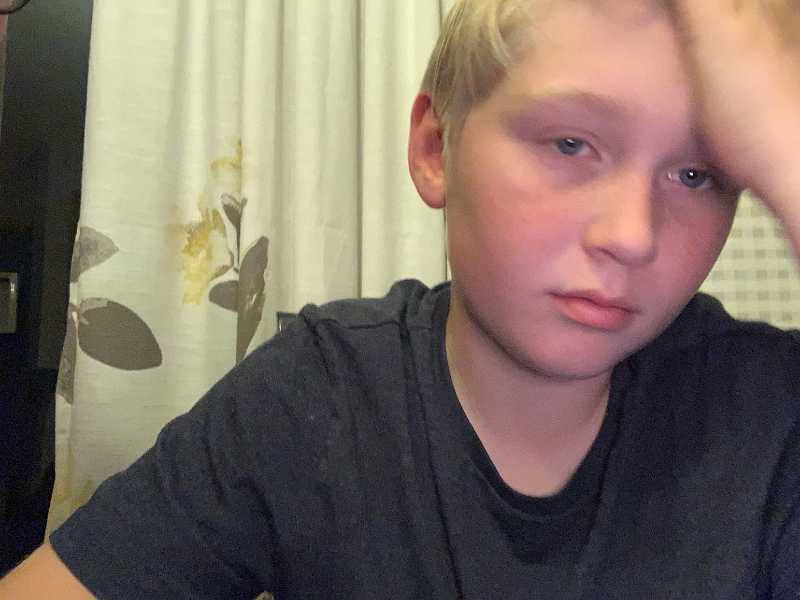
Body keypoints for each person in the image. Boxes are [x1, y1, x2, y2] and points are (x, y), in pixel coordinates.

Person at [3, 0, 800, 597]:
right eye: (570, 143)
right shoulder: (317, 398)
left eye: (697, 174)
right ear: (435, 148)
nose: (632, 234)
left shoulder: (767, 413)